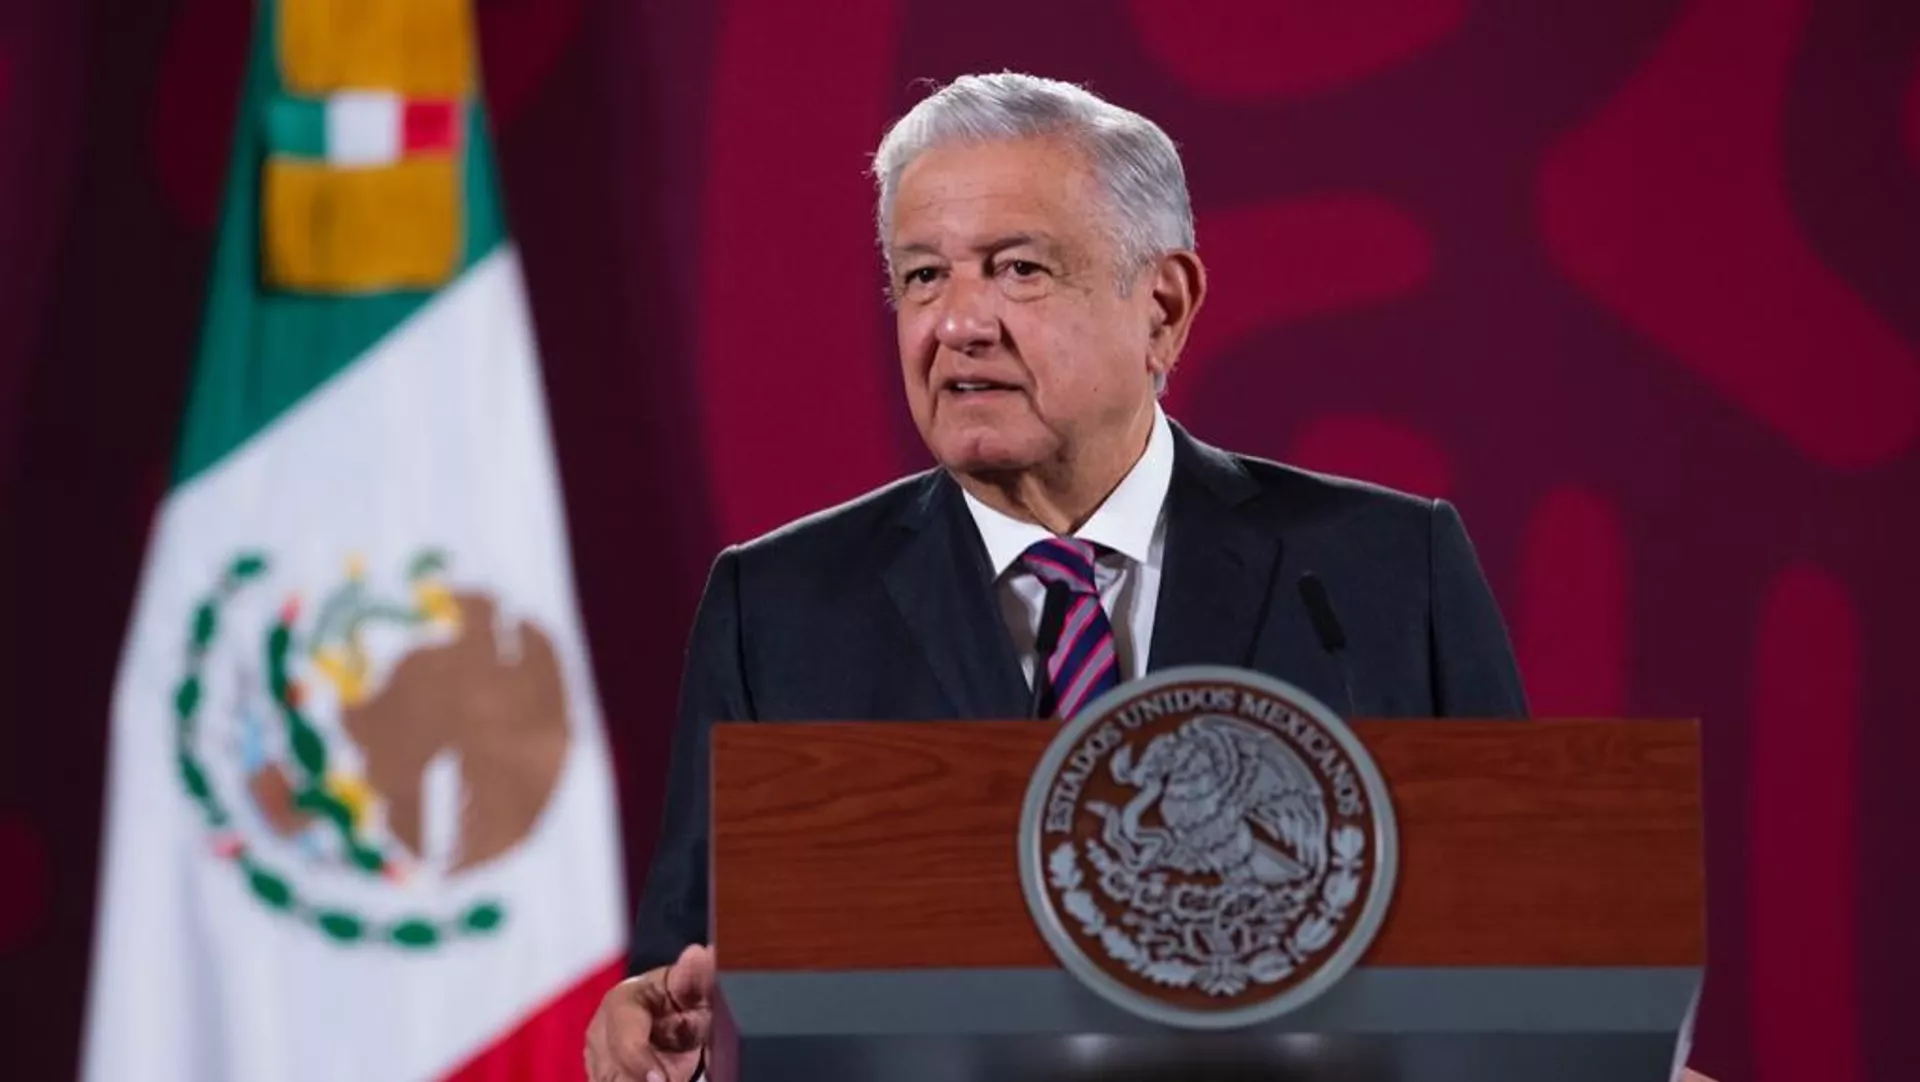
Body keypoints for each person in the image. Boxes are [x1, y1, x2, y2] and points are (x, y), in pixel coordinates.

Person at [586, 71, 1535, 1082]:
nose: (958, 324)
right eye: (923, 276)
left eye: (1018, 269)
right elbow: (692, 977)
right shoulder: (778, 611)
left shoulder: (1384, 573)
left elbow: (1534, 948)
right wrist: (663, 1030)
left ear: (1163, 307)